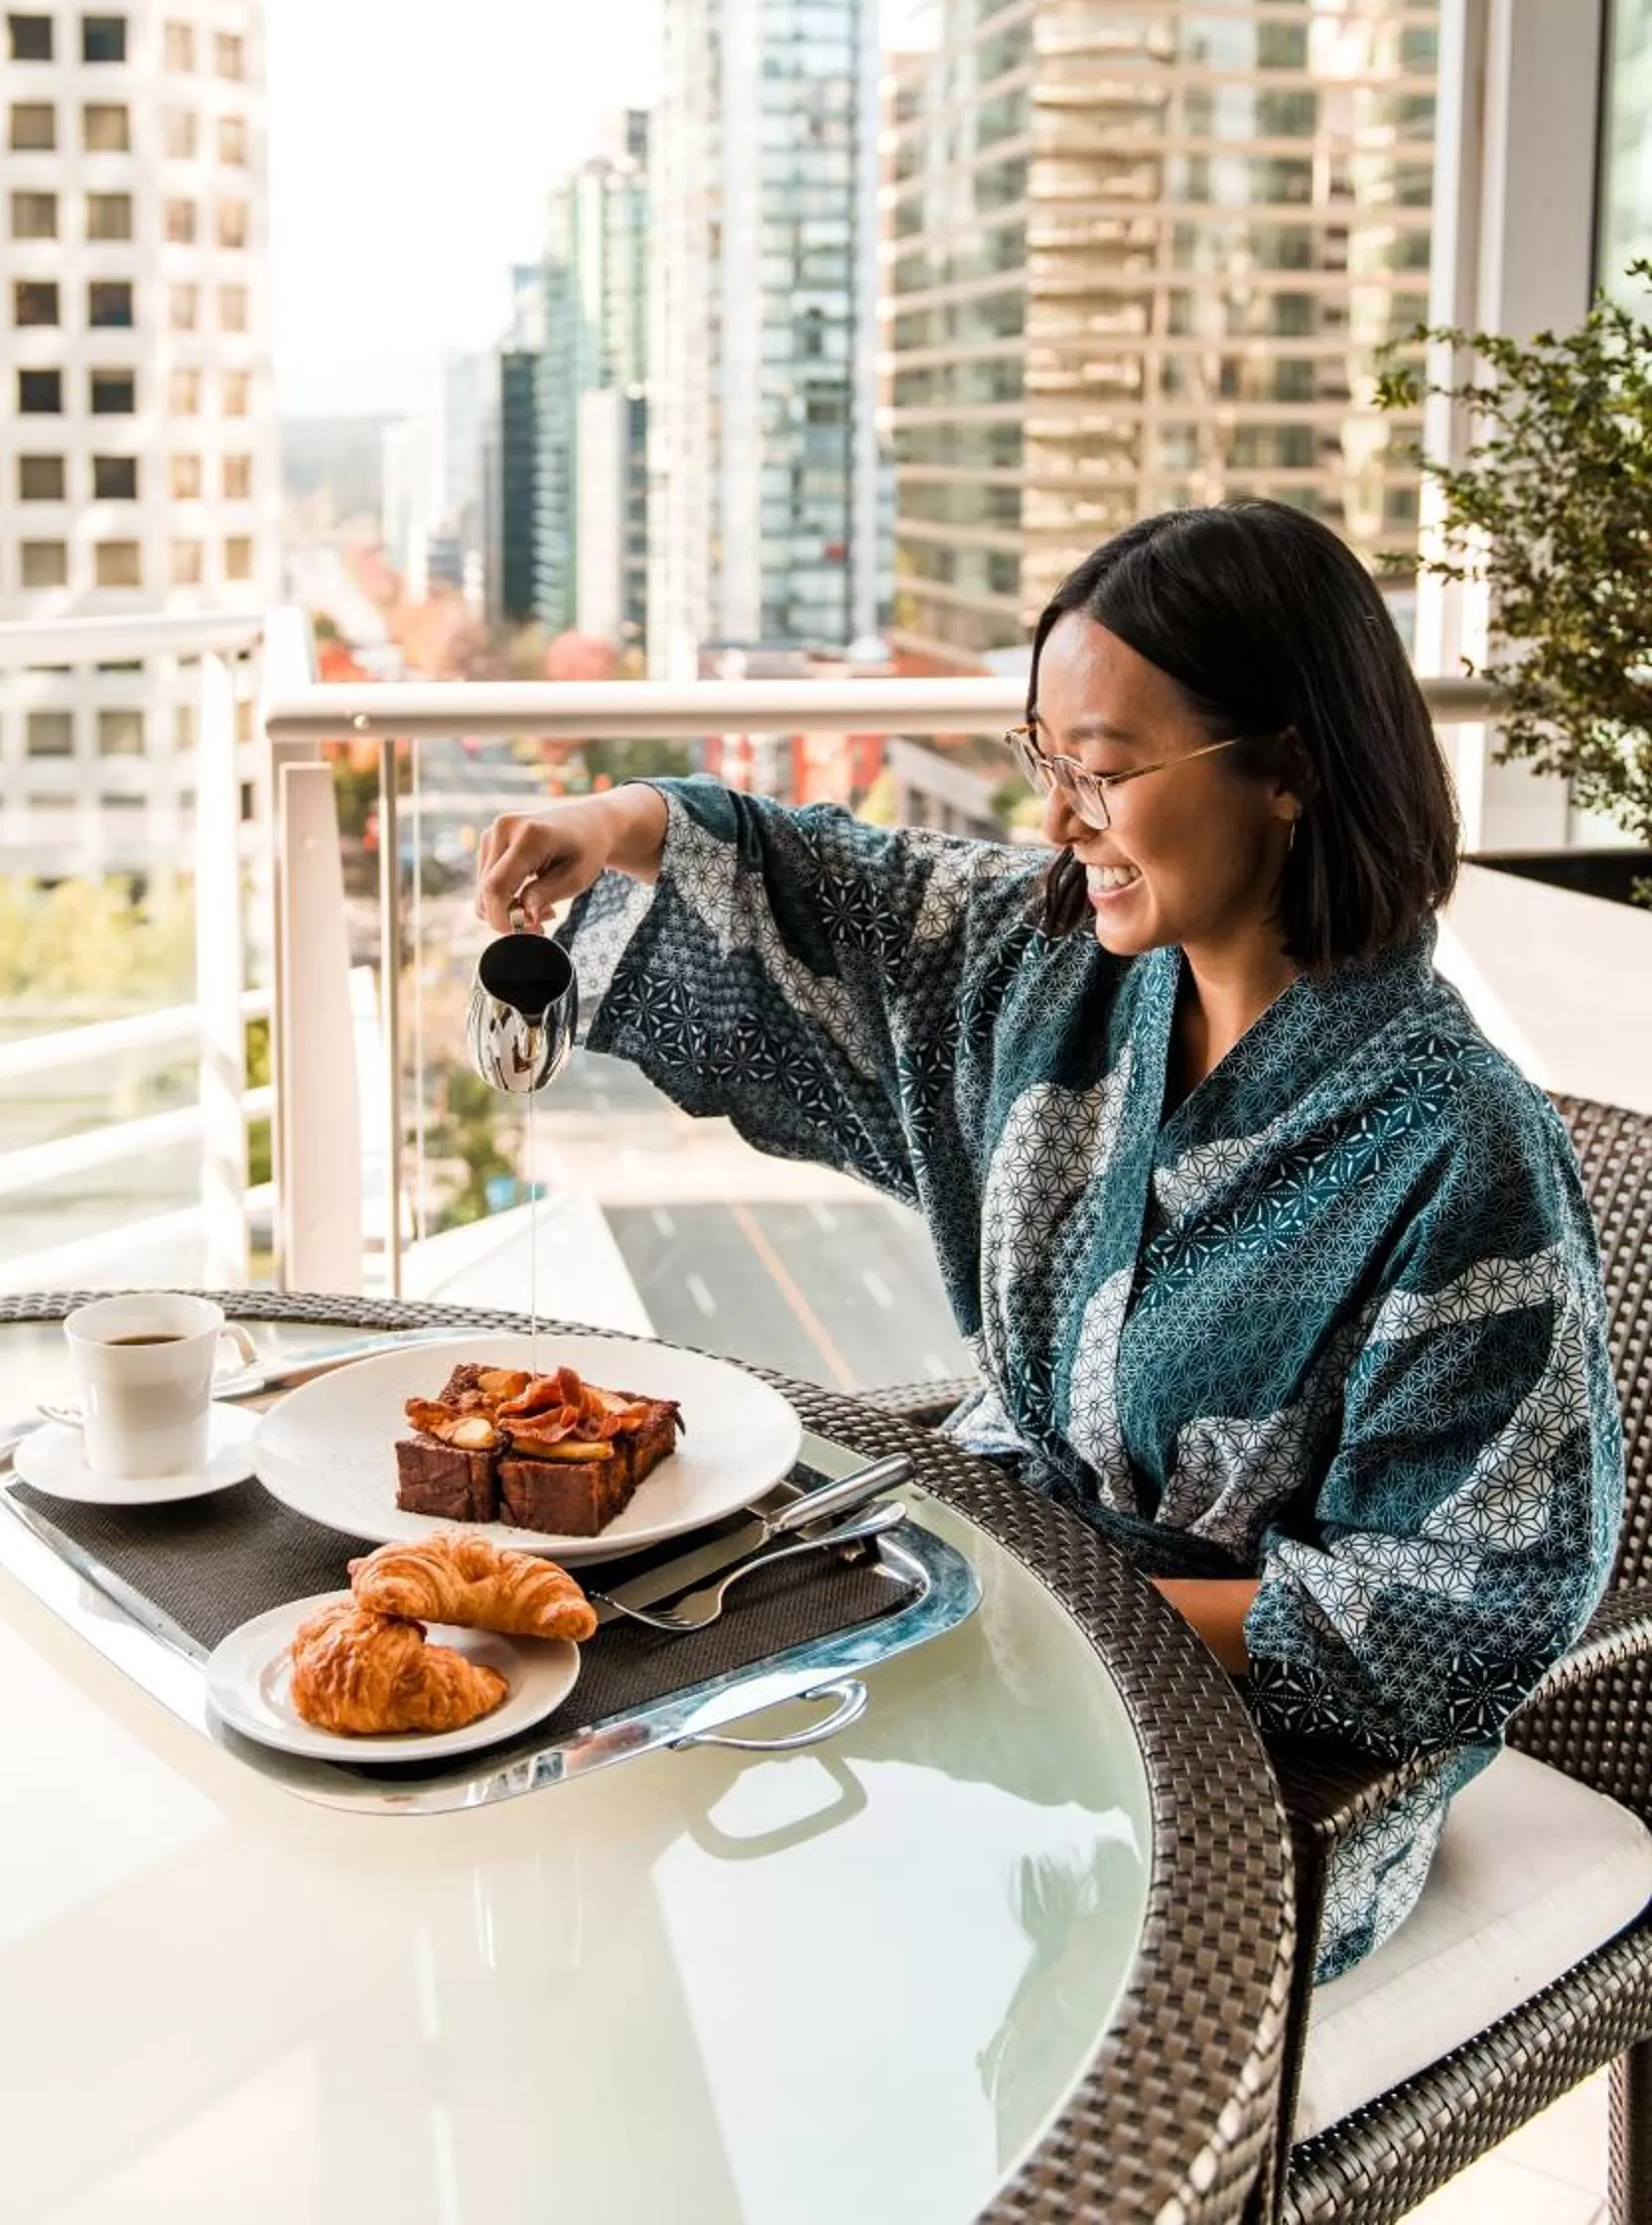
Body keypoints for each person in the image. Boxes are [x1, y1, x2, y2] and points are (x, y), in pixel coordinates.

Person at [476, 499, 1623, 1979]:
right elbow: (851, 891)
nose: (1063, 822)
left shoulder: (1456, 1148)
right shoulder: (1060, 961)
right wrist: (615, 823)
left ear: (1289, 770)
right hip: (999, 1602)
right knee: (653, 1785)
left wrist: (1050, 1604)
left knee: (828, 1937)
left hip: (1266, 1763)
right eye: (1047, 762)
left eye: (1107, 771)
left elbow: (1464, 1613)